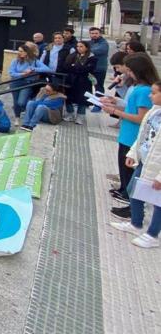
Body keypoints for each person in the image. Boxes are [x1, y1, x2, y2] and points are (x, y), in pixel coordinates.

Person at [102, 53, 158, 205]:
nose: (127, 73)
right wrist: (115, 102)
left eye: (130, 71)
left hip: (133, 135)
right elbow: (131, 107)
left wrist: (115, 112)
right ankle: (123, 189)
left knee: (129, 168)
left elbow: (141, 118)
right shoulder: (137, 87)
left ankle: (128, 197)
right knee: (122, 165)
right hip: (126, 133)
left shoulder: (145, 91)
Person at [110, 81, 161, 247]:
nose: (149, 95)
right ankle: (136, 223)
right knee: (134, 190)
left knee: (157, 201)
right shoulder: (154, 112)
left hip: (157, 167)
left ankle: (153, 235)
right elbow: (143, 136)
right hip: (145, 161)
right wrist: (133, 153)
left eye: (154, 93)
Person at [7, 44, 53, 121]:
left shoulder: (34, 61)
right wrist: (22, 74)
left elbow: (48, 69)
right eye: (18, 51)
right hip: (15, 83)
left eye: (21, 51)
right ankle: (17, 117)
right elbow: (12, 72)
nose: (19, 53)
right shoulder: (15, 61)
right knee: (16, 102)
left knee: (21, 102)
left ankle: (29, 109)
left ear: (26, 52)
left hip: (27, 83)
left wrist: (33, 69)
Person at [62, 40, 97, 124]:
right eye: (77, 46)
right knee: (68, 97)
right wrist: (77, 67)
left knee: (82, 99)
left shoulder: (92, 57)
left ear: (86, 48)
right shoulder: (72, 55)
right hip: (71, 80)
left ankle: (80, 117)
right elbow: (66, 66)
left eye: (81, 46)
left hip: (84, 81)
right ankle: (70, 114)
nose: (79, 48)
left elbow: (87, 69)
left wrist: (75, 67)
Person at [88, 26, 110, 107]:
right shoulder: (89, 43)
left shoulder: (104, 43)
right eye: (92, 33)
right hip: (90, 69)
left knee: (98, 87)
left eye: (96, 33)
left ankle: (98, 105)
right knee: (87, 85)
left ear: (100, 34)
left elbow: (96, 51)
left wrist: (86, 50)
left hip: (99, 69)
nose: (94, 35)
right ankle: (88, 102)